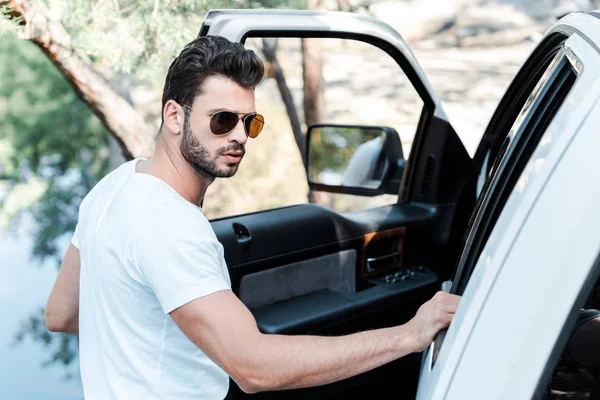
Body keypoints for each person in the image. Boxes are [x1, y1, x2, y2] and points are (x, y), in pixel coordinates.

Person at [44, 35, 461, 399]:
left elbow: (61, 314)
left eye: (250, 122)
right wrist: (410, 335)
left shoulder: (113, 187)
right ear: (174, 115)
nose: (240, 136)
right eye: (223, 120)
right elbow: (254, 368)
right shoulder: (169, 225)